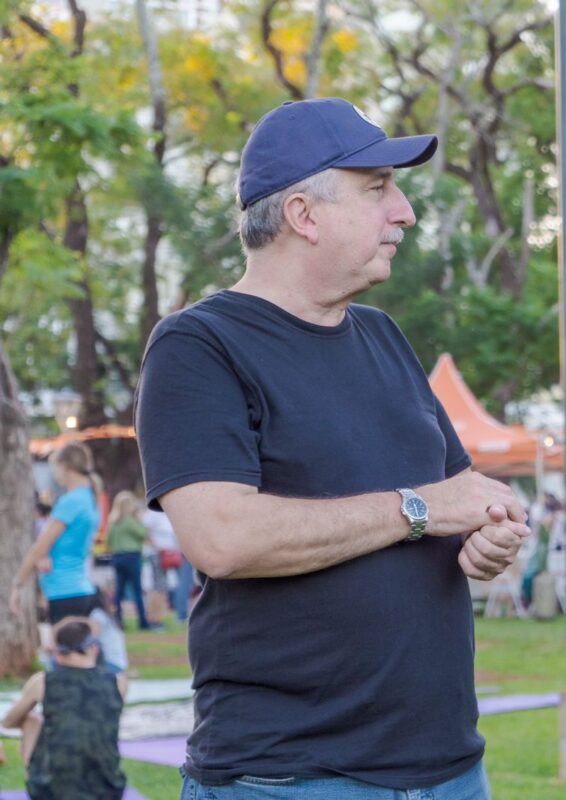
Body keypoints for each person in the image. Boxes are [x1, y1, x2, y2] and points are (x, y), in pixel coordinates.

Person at [134, 97, 529, 798]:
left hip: (448, 770)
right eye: (378, 188)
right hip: (292, 776)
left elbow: (457, 503)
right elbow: (222, 538)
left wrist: (485, 538)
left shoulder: (383, 335)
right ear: (303, 216)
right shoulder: (198, 346)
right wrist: (418, 509)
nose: (403, 211)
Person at [1, 616, 128, 799]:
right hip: (107, 785)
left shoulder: (43, 682)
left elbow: (8, 722)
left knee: (31, 719)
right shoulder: (118, 683)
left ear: (57, 650)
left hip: (52, 786)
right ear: (93, 648)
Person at [9, 442, 105, 624]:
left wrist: (17, 584)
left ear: (66, 467)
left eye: (55, 468)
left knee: (64, 651)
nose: (54, 474)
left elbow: (39, 547)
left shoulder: (71, 501)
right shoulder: (91, 499)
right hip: (81, 588)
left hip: (64, 592)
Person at [105, 490, 156, 631]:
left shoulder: (113, 522)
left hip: (116, 557)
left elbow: (107, 542)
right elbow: (143, 533)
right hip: (131, 557)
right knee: (137, 591)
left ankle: (118, 621)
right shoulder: (130, 521)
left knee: (119, 592)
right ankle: (143, 622)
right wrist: (139, 519)